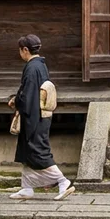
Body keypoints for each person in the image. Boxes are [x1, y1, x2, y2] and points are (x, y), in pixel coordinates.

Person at [8, 34, 75, 201]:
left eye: (20, 50)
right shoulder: (41, 65)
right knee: (27, 151)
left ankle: (62, 181)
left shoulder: (31, 68)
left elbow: (28, 96)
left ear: (25, 50)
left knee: (37, 150)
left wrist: (16, 101)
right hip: (40, 114)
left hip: (34, 116)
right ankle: (27, 187)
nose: (20, 53)